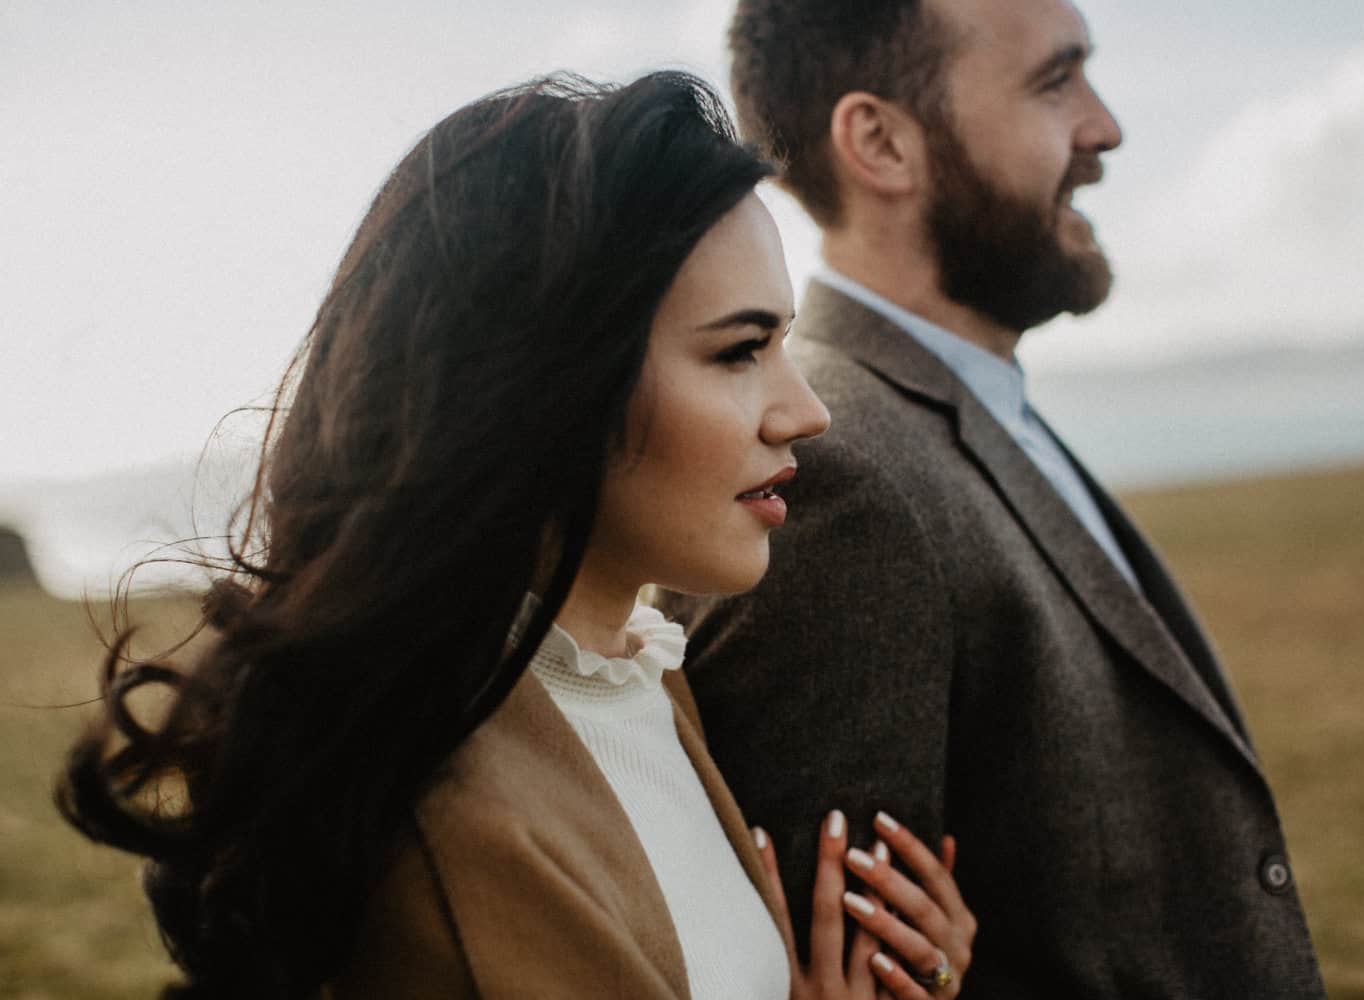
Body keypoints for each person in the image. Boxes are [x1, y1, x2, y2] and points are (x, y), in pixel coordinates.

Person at [55, 72, 976, 999]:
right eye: (739, 350)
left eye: (786, 342)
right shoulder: (460, 829)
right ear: (549, 384)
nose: (806, 412)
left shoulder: (629, 678)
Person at [656, 2, 1327, 996]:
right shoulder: (836, 477)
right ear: (880, 141)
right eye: (1055, 83)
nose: (1104, 127)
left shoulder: (975, 403)